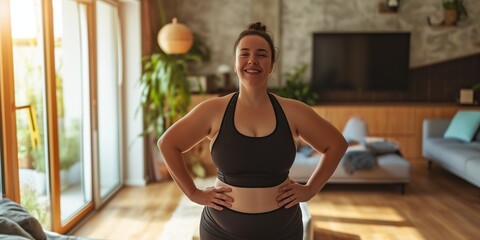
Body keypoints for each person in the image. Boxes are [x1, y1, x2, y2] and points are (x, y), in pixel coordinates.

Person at [157, 22, 348, 240]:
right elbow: (168, 143)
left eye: (262, 54)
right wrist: (193, 193)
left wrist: (310, 189)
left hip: (283, 230)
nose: (252, 61)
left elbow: (336, 145)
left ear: (272, 65)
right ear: (235, 61)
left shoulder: (293, 111)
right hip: (221, 232)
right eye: (244, 53)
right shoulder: (213, 110)